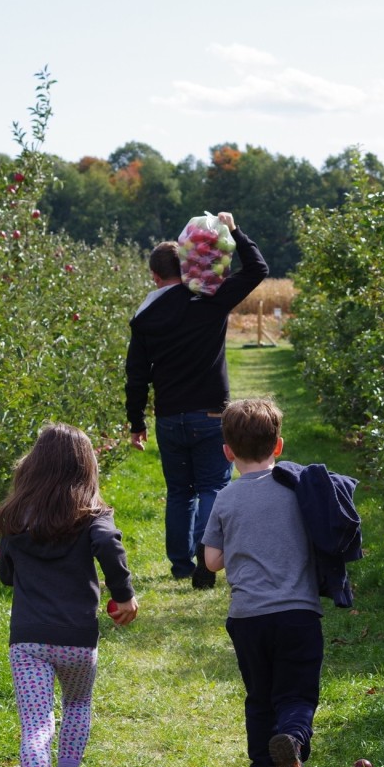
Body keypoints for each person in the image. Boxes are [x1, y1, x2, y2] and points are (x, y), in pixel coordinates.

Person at [0, 423, 138, 767]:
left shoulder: (13, 516)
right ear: (86, 467)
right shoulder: (92, 514)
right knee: (77, 706)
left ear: (33, 467)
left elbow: (6, 576)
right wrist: (123, 593)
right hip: (77, 639)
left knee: (37, 725)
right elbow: (108, 545)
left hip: (29, 641)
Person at [125, 212, 268, 587]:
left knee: (179, 492)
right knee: (211, 488)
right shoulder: (210, 299)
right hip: (209, 413)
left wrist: (136, 423)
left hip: (170, 416)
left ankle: (180, 565)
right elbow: (257, 269)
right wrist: (235, 229)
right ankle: (208, 562)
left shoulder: (145, 317)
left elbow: (136, 376)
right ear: (189, 263)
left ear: (155, 276)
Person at [199, 398, 323, 767]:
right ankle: (292, 738)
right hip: (299, 613)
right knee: (297, 694)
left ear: (227, 452)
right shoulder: (298, 491)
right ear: (279, 446)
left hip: (248, 617)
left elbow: (212, 562)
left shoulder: (226, 498)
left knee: (259, 698)